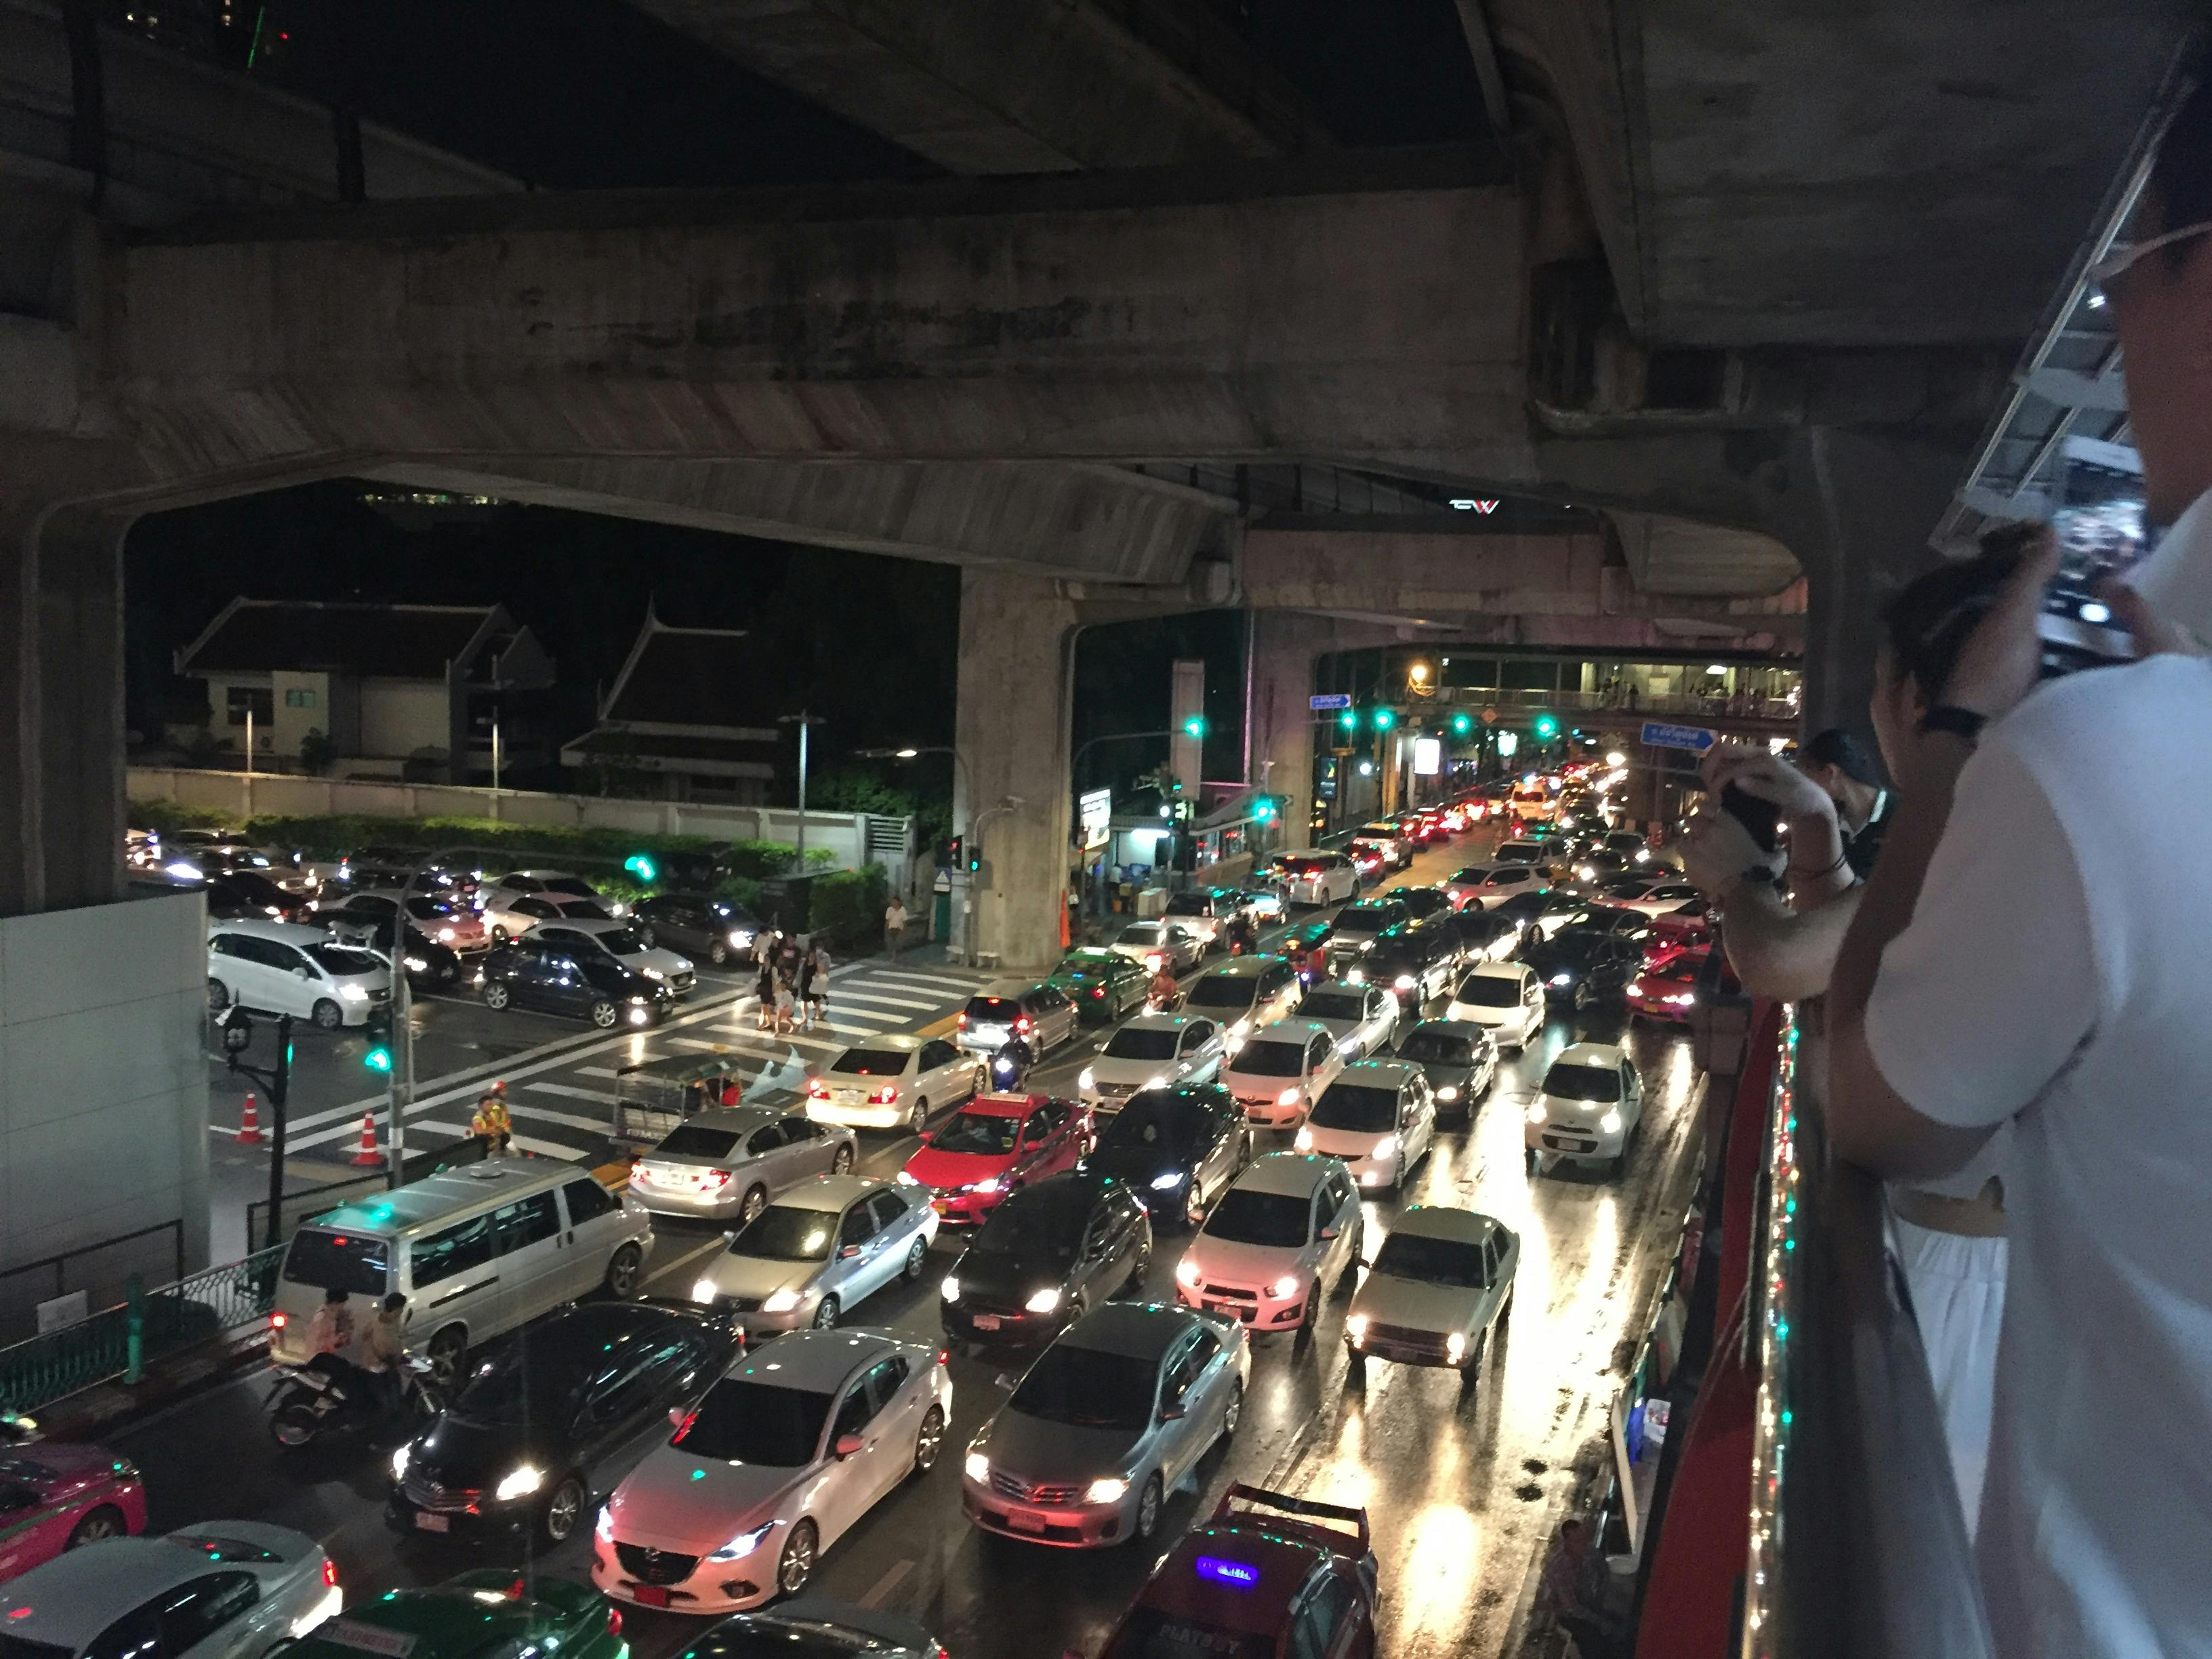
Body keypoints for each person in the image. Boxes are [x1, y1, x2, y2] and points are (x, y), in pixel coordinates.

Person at [1817, 75, 2212, 1659]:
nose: (2112, 312)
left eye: (2137, 262)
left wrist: (1947, 763)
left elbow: (1876, 1111)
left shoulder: (2106, 768)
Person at [1679, 554, 2016, 1536]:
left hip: (1954, 1279)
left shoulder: (1978, 841)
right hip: (1954, 1251)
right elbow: (1863, 951)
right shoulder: (1995, 826)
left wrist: (1740, 880)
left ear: (1911, 699)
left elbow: (1787, 959)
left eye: (1878, 679)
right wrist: (1819, 825)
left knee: (1889, 1532)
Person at [361, 1292, 408, 1414]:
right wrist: (374, 1354)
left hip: (391, 1364)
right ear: (395, 1309)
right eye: (401, 1309)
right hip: (379, 1366)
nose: (402, 1311)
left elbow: (399, 1336)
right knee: (385, 1398)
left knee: (395, 1392)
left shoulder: (395, 1321)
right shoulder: (377, 1324)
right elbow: (366, 1337)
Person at [306, 1287, 354, 1361]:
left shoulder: (331, 1316)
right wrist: (336, 1339)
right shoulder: (322, 1318)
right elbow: (316, 1342)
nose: (342, 1307)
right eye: (342, 1304)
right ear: (335, 1303)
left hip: (323, 1357)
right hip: (318, 1359)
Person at [470, 1081, 512, 1158]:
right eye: (503, 1091)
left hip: (495, 1144)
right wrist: (495, 1131)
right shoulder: (496, 1108)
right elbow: (480, 1131)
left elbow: (498, 1125)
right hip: (488, 1148)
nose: (505, 1093)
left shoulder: (496, 1109)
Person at [884, 895, 909, 961]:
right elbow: (888, 920)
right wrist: (887, 928)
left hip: (899, 929)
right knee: (892, 944)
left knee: (899, 944)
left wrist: (903, 930)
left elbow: (904, 921)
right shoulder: (890, 910)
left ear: (899, 902)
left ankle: (900, 956)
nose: (894, 904)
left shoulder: (902, 910)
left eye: (895, 902)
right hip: (891, 929)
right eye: (893, 902)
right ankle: (893, 957)